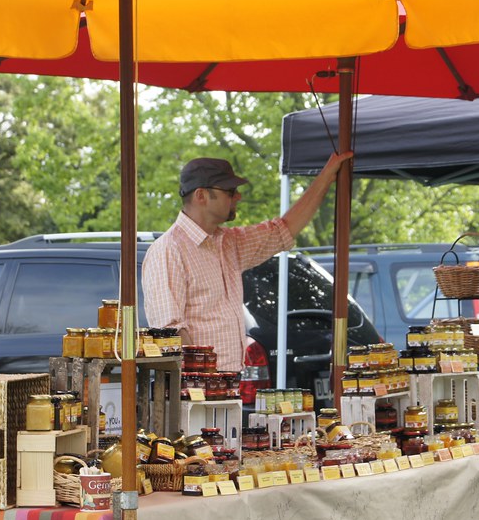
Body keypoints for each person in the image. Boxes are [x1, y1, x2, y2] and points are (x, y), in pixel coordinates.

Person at [143, 151, 353, 372]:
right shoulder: (168, 250)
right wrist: (204, 383)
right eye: (230, 191)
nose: (238, 197)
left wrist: (327, 176)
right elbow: (170, 332)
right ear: (201, 195)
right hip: (195, 390)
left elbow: (283, 230)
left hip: (223, 386)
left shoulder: (227, 242)